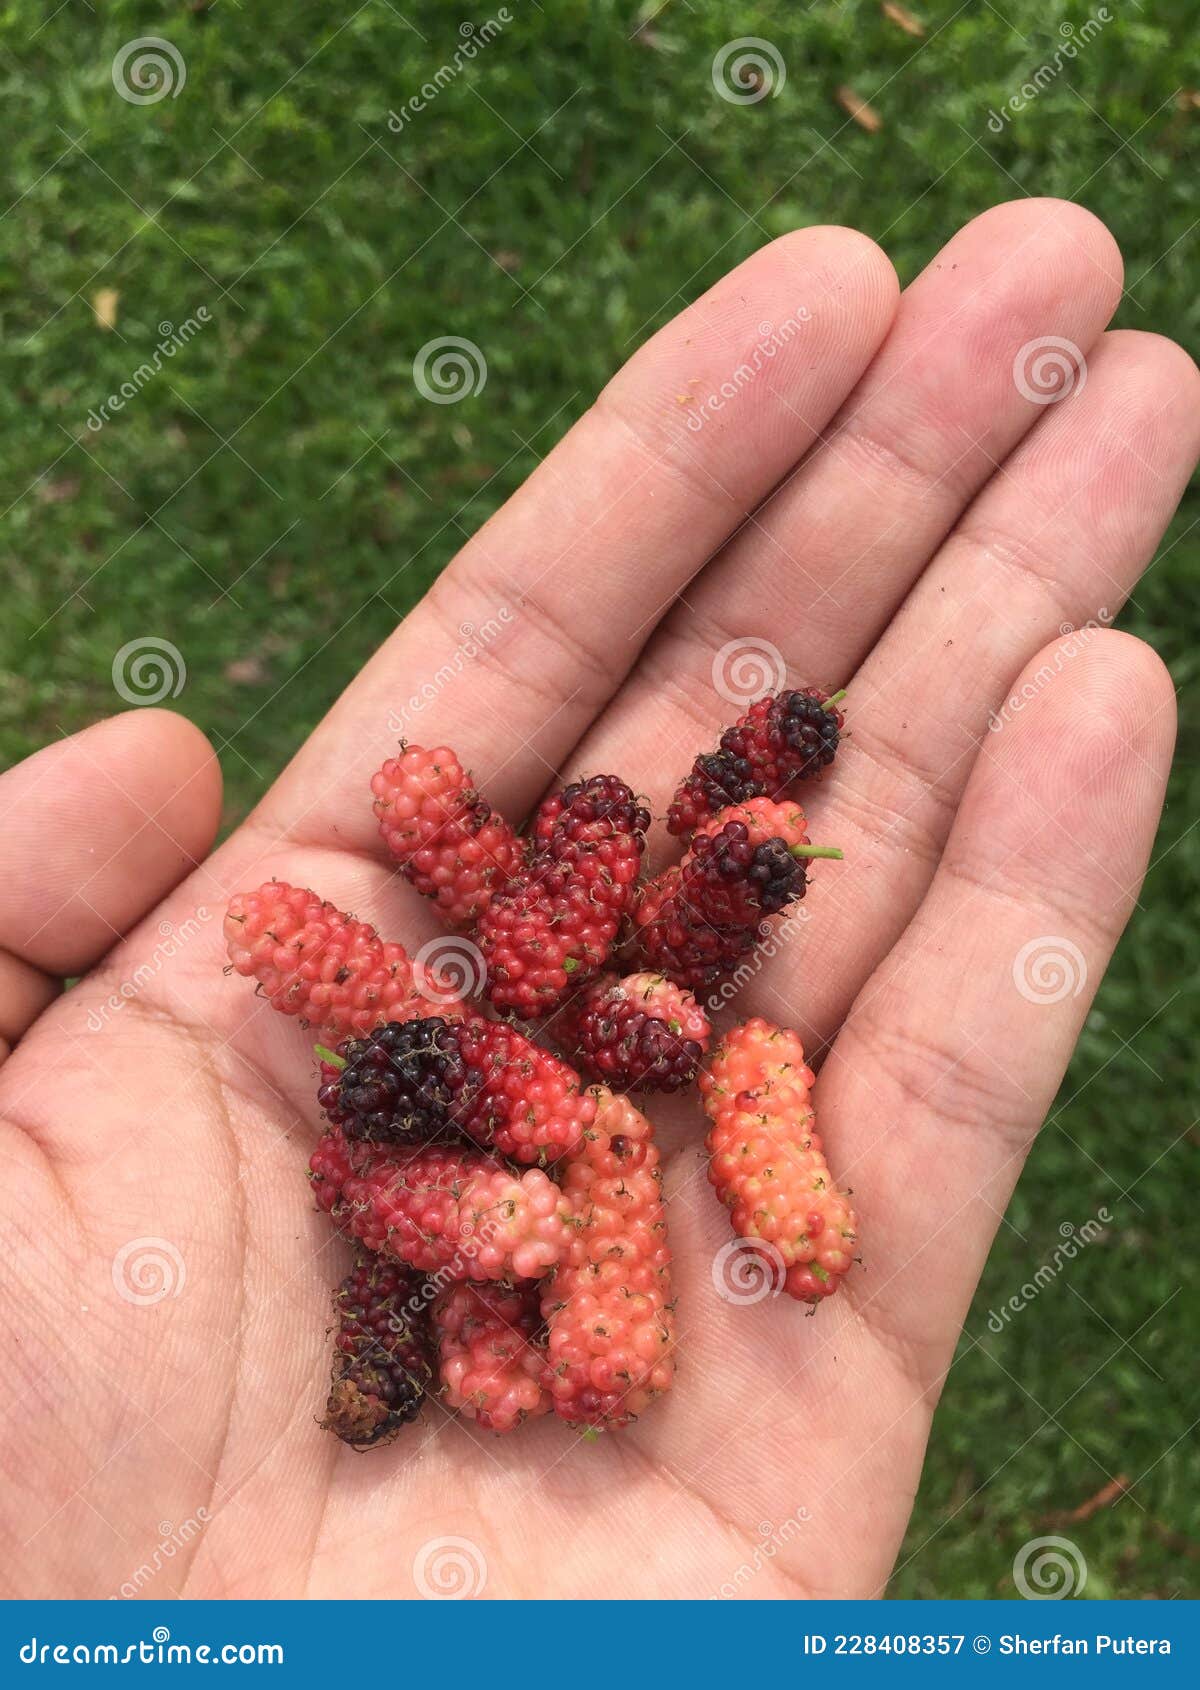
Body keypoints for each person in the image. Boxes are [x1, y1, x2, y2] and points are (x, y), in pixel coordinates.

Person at [1, 198, 1196, 1599]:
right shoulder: (500, 1118)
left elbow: (579, 1065)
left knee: (650, 1026)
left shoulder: (586, 1039)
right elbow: (504, 1129)